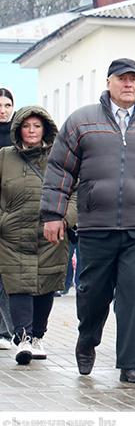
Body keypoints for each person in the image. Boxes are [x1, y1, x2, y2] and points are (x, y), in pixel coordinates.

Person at [40, 59, 135, 385]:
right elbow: (60, 170)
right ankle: (87, 339)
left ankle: (132, 363)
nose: (128, 84)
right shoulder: (81, 122)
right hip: (95, 225)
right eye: (122, 79)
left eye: (134, 79)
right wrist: (52, 215)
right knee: (92, 293)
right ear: (109, 82)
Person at [0, 107, 75, 364]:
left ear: (46, 129)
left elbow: (75, 190)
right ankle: (22, 338)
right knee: (18, 285)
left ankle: (37, 336)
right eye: (26, 126)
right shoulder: (4, 157)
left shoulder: (60, 156)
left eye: (37, 126)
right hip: (13, 234)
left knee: (46, 285)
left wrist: (66, 219)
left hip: (51, 234)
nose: (31, 131)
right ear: (18, 129)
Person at [0, 88, 17, 351]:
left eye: (7, 104)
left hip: (13, 211)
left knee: (8, 274)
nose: (3, 110)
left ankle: (7, 331)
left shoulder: (20, 136)